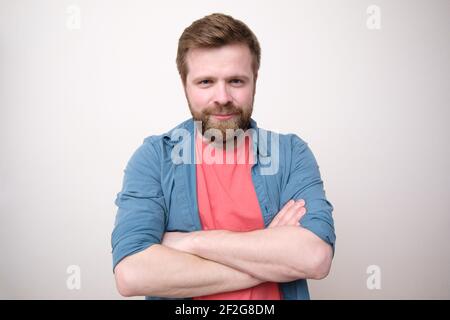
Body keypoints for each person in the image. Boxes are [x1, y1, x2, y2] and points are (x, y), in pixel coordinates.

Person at [111, 13, 336, 300]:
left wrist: (190, 242)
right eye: (206, 82)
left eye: (236, 81)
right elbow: (132, 275)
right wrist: (275, 260)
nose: (222, 96)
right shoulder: (154, 159)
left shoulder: (291, 154)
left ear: (255, 80)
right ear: (185, 85)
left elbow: (314, 258)